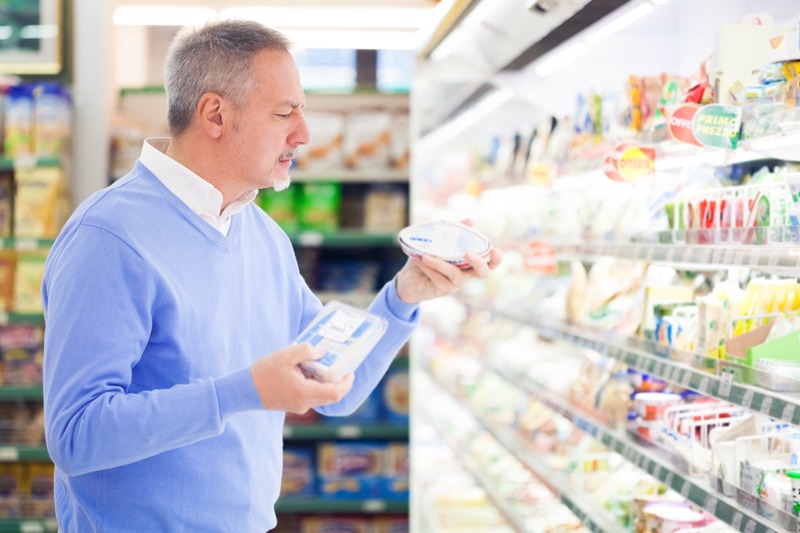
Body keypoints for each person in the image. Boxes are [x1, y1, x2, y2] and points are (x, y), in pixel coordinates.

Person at [41, 19, 502, 532]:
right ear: (215, 114)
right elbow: (76, 434)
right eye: (285, 113)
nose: (304, 134)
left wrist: (404, 296)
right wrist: (244, 392)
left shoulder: (261, 234)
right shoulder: (109, 236)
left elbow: (335, 387)